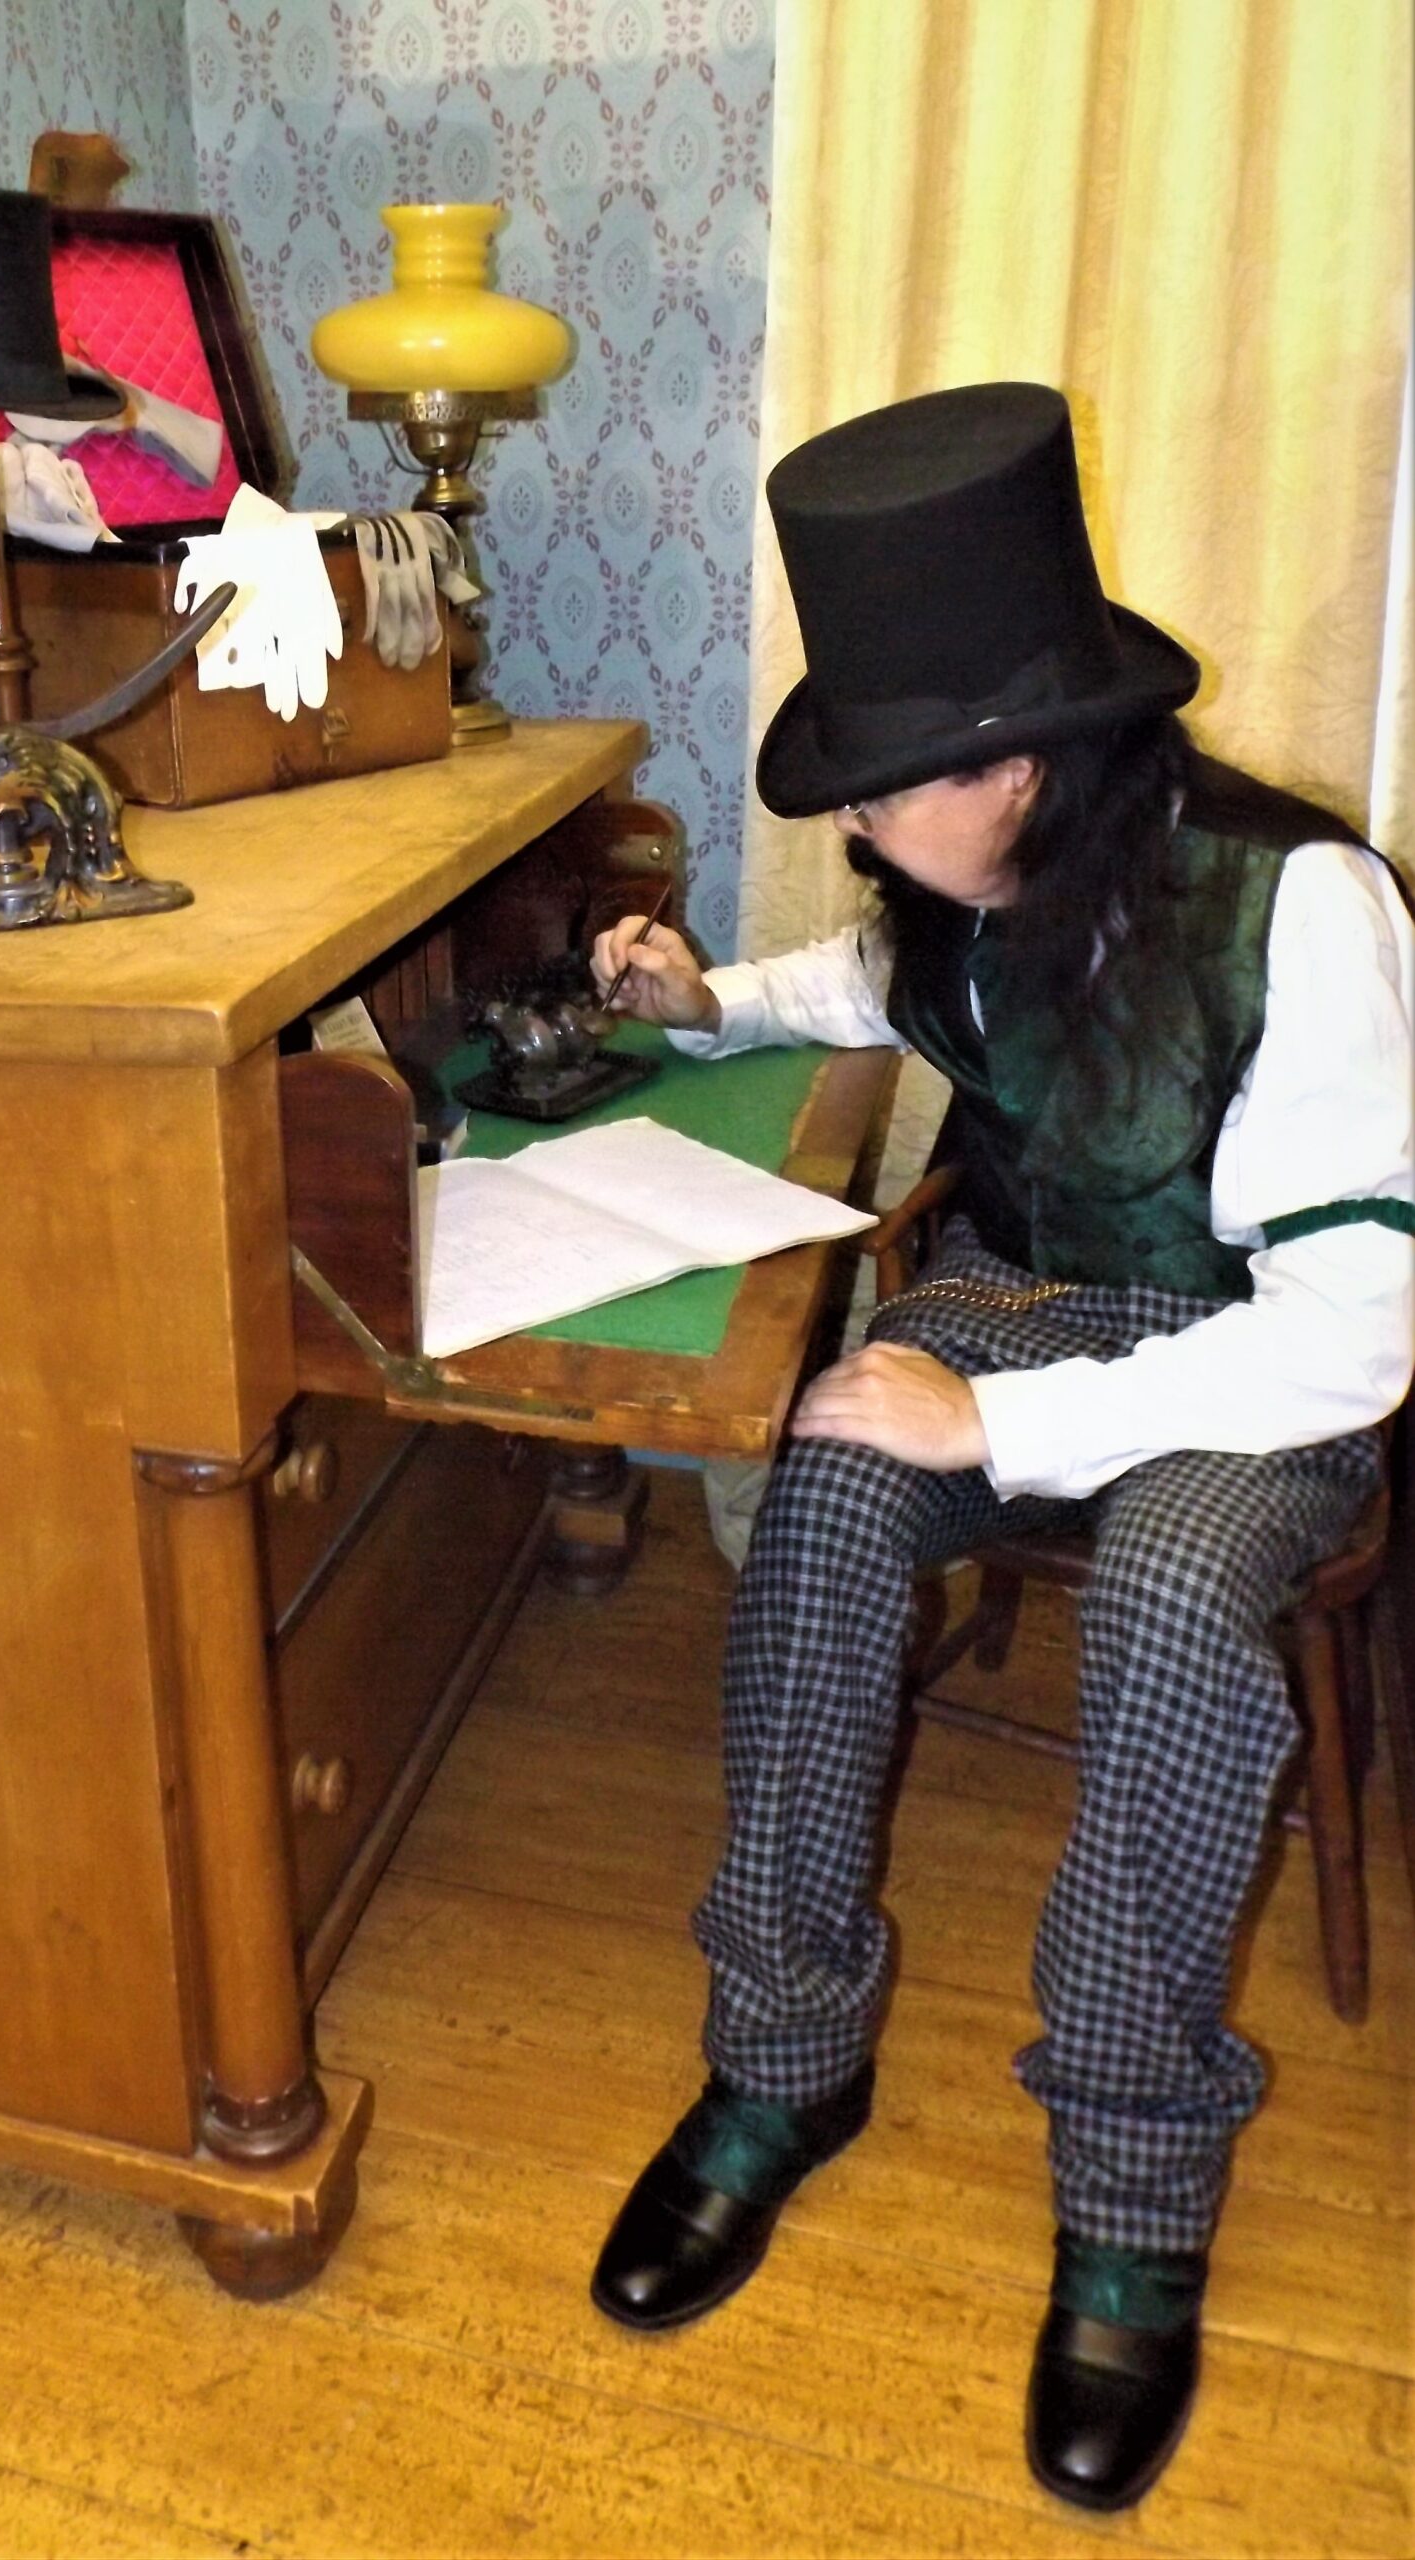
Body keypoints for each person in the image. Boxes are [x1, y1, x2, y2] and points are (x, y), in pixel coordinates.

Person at [585, 383, 1415, 2514]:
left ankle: (1133, 2175)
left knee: (1156, 1590)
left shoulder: (1299, 907)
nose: (857, 828)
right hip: (1033, 1305)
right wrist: (696, 998)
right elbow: (854, 987)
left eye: (878, 792)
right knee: (830, 1483)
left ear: (1008, 765)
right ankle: (781, 2052)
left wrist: (1011, 1411)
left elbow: (1350, 1329)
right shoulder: (963, 892)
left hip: (1256, 1363)